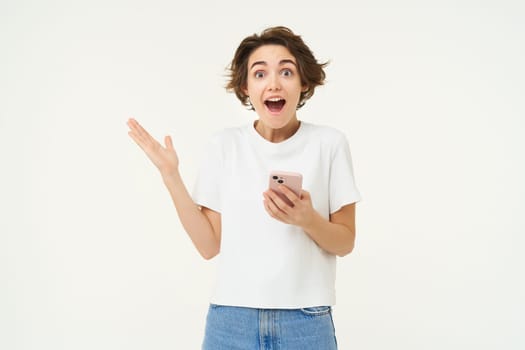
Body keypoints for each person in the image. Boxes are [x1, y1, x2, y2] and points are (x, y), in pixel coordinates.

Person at [127, 26, 361, 350]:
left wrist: (308, 219)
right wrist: (170, 175)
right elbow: (208, 245)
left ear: (304, 82)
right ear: (245, 87)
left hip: (306, 321)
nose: (274, 83)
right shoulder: (224, 145)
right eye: (260, 73)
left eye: (286, 71)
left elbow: (345, 241)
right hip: (231, 321)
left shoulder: (329, 144)